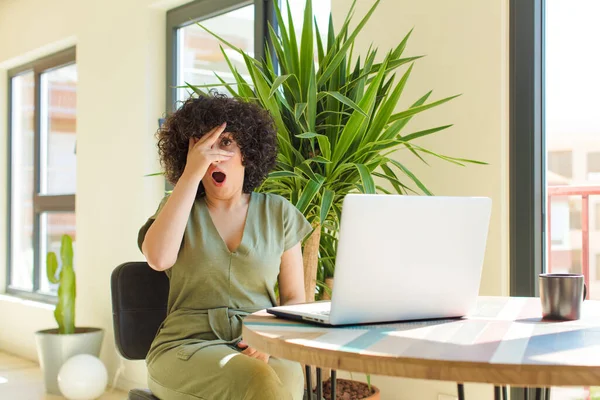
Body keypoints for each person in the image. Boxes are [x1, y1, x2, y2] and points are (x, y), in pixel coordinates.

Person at [137, 92, 313, 400]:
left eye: (226, 143)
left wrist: (270, 339)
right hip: (187, 346)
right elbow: (158, 258)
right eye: (203, 146)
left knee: (281, 380)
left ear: (248, 151)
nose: (213, 156)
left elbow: (295, 297)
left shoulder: (279, 212)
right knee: (254, 380)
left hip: (264, 343)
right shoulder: (178, 208)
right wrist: (191, 174)